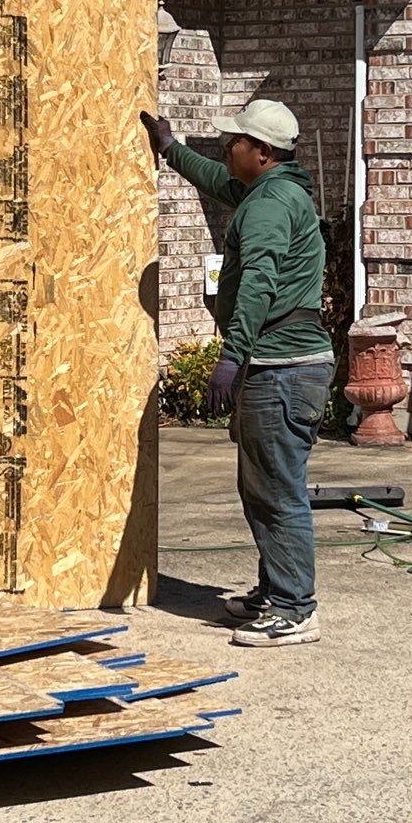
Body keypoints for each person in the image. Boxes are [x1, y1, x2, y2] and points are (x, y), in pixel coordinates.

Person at [141, 100, 333, 647]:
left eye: (236, 142)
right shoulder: (267, 191)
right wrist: (170, 151)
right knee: (259, 487)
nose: (227, 148)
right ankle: (276, 590)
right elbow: (213, 179)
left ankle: (295, 609)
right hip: (279, 366)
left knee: (277, 490)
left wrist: (233, 353)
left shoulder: (271, 207)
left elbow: (259, 282)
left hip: (283, 369)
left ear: (263, 152)